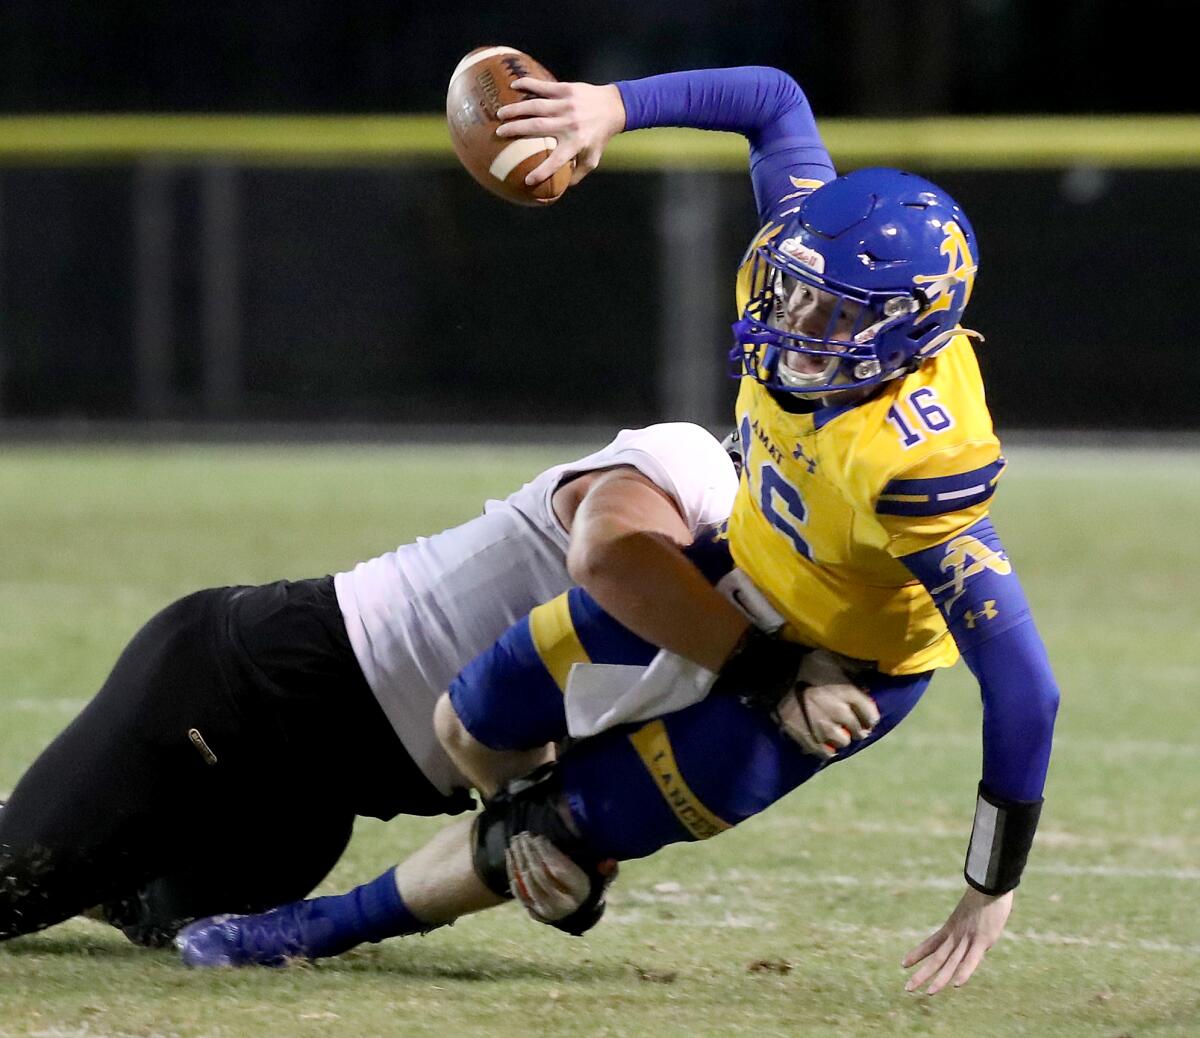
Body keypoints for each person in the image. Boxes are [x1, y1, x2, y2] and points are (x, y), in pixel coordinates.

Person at [177, 65, 1060, 997]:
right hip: (740, 570)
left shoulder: (918, 463)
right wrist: (611, 105)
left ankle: (316, 929)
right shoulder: (798, 254)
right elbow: (774, 99)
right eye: (798, 292)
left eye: (837, 315)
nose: (798, 322)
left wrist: (989, 884)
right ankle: (548, 843)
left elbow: (1027, 688)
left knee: (567, 824)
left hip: (839, 670)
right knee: (469, 720)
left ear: (908, 336)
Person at [0, 422, 738, 947]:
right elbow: (610, 555)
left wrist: (567, 864)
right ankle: (57, 831)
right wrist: (752, 667)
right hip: (242, 691)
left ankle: (69, 829)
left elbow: (557, 771)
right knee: (14, 887)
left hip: (319, 797)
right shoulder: (697, 468)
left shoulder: (765, 619)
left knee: (167, 918)